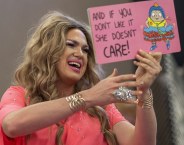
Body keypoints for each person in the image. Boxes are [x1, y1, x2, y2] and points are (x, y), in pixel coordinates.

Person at [0, 11, 162, 145]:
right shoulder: (20, 94)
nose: (80, 54)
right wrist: (86, 98)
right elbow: (11, 125)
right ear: (48, 51)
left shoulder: (101, 107)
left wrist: (144, 90)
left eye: (85, 50)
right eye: (71, 45)